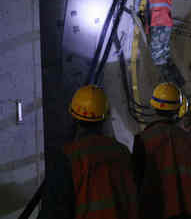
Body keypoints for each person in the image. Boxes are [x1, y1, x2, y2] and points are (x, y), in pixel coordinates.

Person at [38, 85, 139, 219]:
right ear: (105, 117)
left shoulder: (68, 157)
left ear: (74, 117)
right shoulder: (123, 152)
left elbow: (54, 211)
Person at [133, 83, 191, 218]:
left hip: (157, 211)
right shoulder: (189, 138)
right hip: (188, 210)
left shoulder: (143, 139)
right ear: (178, 108)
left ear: (154, 106)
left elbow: (137, 181)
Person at [131, 0, 185, 86]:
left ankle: (171, 85)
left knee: (158, 56)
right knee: (162, 56)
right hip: (160, 25)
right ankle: (178, 81)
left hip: (161, 24)